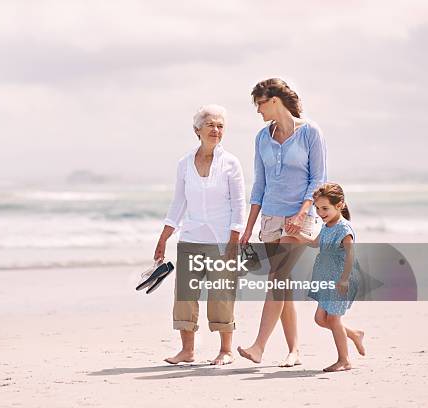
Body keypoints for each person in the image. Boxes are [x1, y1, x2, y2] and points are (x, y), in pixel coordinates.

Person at [238, 78, 327, 367]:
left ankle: (258, 347)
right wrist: (249, 226)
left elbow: (318, 179)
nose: (258, 111)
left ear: (274, 100)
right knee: (283, 284)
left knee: (277, 276)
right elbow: (259, 184)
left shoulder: (310, 133)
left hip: (298, 217)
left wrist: (301, 213)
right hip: (270, 218)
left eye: (259, 104)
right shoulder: (262, 137)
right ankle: (294, 350)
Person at [154, 104, 245, 365]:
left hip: (221, 241)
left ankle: (225, 350)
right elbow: (178, 203)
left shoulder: (230, 163)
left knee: (221, 295)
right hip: (191, 238)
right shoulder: (184, 163)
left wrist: (234, 240)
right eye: (211, 125)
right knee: (185, 295)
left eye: (220, 126)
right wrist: (164, 237)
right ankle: (187, 351)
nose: (216, 130)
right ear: (197, 130)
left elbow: (239, 204)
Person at [309, 183, 365, 372]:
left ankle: (344, 360)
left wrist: (344, 279)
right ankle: (354, 334)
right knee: (320, 318)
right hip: (326, 278)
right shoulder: (327, 226)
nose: (320, 212)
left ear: (339, 205)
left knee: (333, 319)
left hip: (341, 279)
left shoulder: (343, 228)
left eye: (325, 208)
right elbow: (314, 243)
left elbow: (350, 255)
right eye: (317, 208)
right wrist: (294, 233)